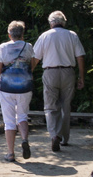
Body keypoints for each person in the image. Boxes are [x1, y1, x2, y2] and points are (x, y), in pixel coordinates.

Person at [33, 10, 86, 151]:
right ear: (63, 22)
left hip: (50, 72)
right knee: (65, 106)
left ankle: (54, 135)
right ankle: (64, 138)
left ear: (51, 23)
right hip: (68, 72)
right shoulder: (72, 35)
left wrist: (29, 73)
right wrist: (81, 77)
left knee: (51, 107)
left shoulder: (44, 36)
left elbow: (35, 58)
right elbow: (80, 57)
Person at [0, 21, 35, 162]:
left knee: (9, 121)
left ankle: (11, 153)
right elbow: (31, 65)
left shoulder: (3, 47)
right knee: (23, 116)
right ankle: (24, 139)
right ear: (23, 34)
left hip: (6, 88)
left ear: (9, 34)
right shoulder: (28, 47)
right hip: (25, 87)